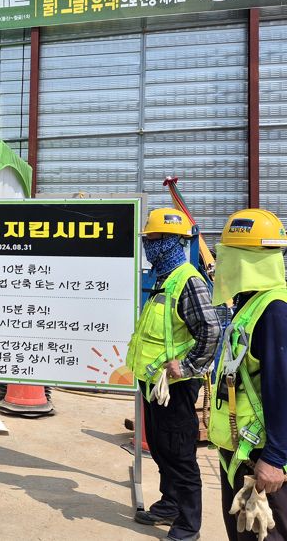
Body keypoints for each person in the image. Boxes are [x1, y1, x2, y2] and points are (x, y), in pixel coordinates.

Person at [127, 208, 222, 541]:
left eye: (154, 240)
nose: (149, 246)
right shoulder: (162, 279)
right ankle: (170, 503)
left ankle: (187, 522)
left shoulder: (188, 280)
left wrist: (189, 365)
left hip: (176, 387)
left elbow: (211, 330)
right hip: (154, 384)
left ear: (172, 243)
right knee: (161, 447)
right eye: (147, 240)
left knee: (180, 454)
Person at [208, 208, 287, 540]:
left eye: (226, 254)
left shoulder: (273, 311)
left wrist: (275, 457)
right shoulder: (251, 304)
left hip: (261, 461)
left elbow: (283, 386)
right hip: (241, 455)